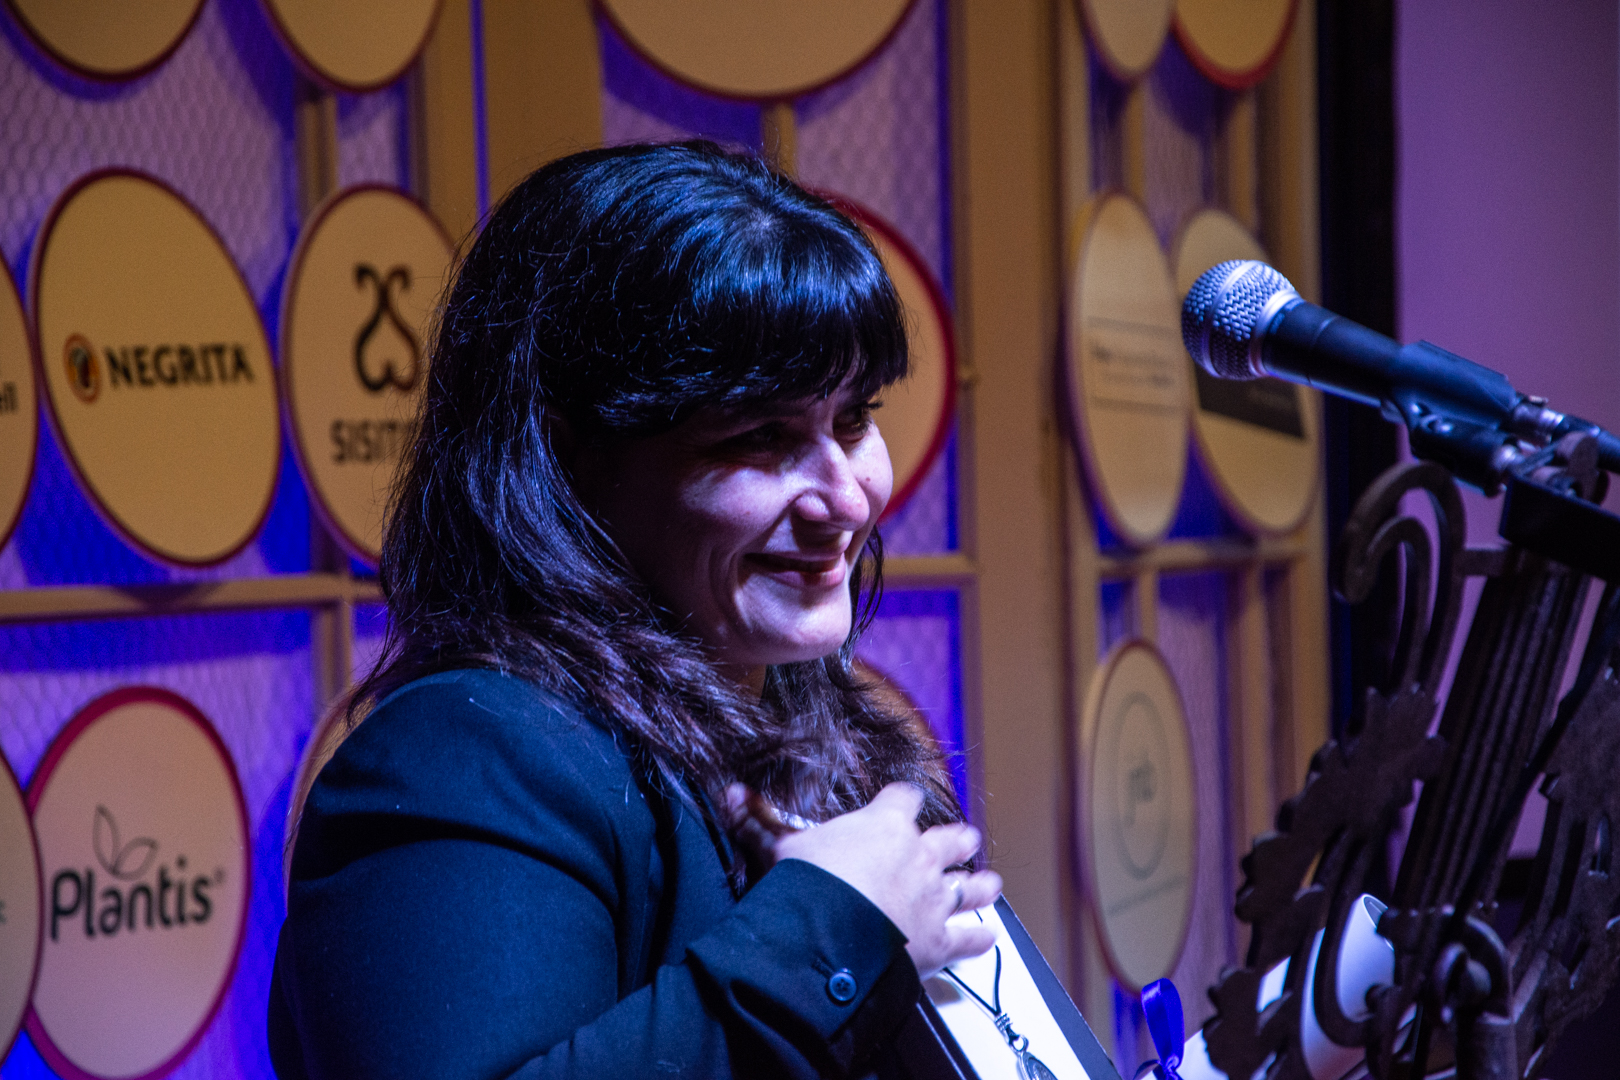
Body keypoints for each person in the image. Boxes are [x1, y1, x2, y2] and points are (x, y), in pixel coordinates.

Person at [267, 141, 1002, 1080]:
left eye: (854, 419)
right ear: (569, 464)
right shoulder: (466, 753)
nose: (846, 498)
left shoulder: (806, 720)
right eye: (763, 435)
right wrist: (831, 925)